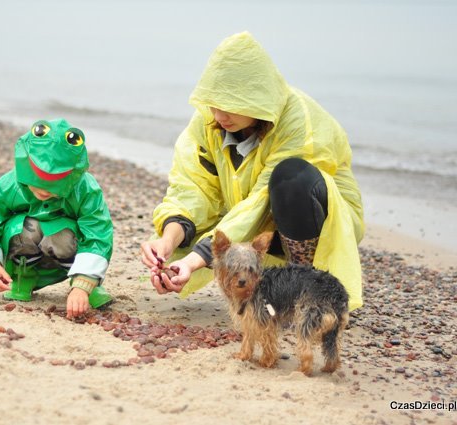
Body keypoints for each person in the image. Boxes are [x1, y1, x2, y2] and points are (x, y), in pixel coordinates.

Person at [140, 32, 364, 311]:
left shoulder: (298, 119)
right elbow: (192, 188)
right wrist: (168, 240)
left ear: (255, 98)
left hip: (317, 215)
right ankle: (272, 287)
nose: (219, 116)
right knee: (196, 222)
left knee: (291, 177)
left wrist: (196, 259)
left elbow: (260, 202)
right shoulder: (210, 121)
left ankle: (303, 287)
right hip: (250, 218)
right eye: (213, 104)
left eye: (230, 106)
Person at [0, 118, 113, 318]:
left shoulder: (85, 189)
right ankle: (23, 278)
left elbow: (98, 235)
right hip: (23, 249)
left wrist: (83, 285)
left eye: (53, 185)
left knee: (67, 233)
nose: (44, 190)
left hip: (68, 250)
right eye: (38, 182)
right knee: (20, 227)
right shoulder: (9, 185)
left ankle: (85, 282)